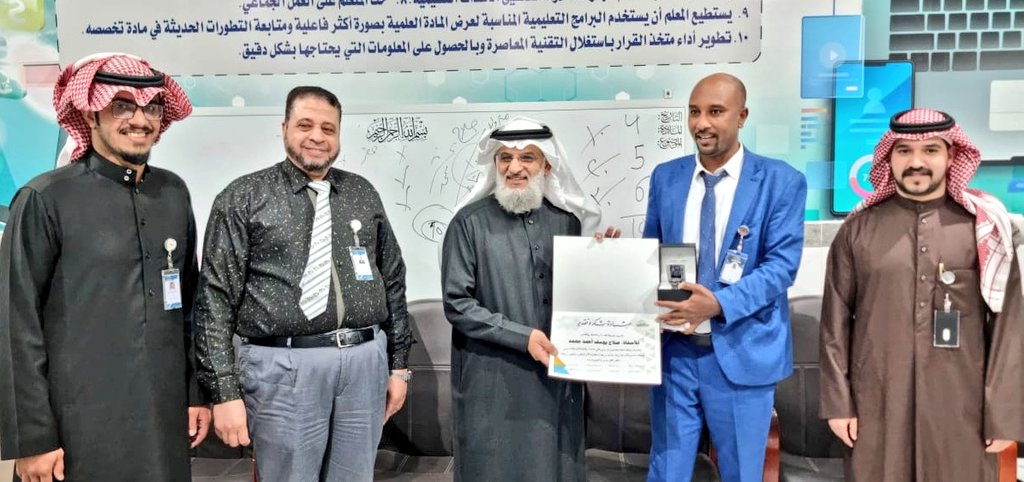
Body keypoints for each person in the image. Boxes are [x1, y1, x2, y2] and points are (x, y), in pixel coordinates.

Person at [0, 53, 210, 481]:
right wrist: (34, 439)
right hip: (78, 431)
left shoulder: (173, 193)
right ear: (89, 112)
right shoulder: (45, 199)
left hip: (164, 424)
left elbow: (190, 306)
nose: (141, 119)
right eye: (122, 105)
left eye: (152, 106)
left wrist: (196, 394)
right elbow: (13, 328)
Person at [193, 86, 412, 482]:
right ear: (284, 128)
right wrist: (222, 392)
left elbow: (393, 280)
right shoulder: (243, 197)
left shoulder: (361, 193)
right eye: (305, 125)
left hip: (364, 366)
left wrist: (398, 367)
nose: (317, 136)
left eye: (328, 128)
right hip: (283, 369)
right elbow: (214, 300)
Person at [819, 108, 1024, 482]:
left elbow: (1009, 329)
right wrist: (838, 404)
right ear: (888, 159)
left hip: (963, 407)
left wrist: (1004, 414)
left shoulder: (985, 229)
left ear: (951, 155)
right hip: (877, 404)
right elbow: (834, 324)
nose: (917, 162)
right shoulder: (858, 230)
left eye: (931, 150)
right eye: (904, 152)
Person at [642, 73, 807, 482]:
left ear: (742, 115)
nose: (702, 123)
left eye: (716, 112)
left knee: (741, 473)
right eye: (695, 112)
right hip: (673, 353)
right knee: (668, 470)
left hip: (741, 351)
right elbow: (652, 251)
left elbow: (780, 266)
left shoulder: (780, 181)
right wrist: (610, 255)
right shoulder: (667, 176)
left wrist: (718, 304)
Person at [441, 117, 602, 481]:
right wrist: (522, 337)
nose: (515, 168)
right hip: (492, 382)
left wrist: (606, 262)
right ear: (494, 165)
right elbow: (457, 304)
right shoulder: (468, 223)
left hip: (555, 379)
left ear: (546, 165)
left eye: (527, 157)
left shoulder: (567, 223)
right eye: (505, 159)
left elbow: (582, 296)